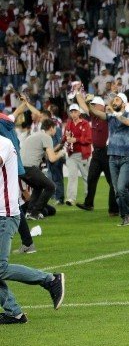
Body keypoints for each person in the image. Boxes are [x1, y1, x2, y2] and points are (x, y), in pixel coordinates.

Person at [0, 133, 66, 324]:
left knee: (0, 268)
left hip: (5, 215)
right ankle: (14, 312)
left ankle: (50, 280)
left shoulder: (3, 142)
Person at [82, 92, 129, 226]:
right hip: (112, 157)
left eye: (117, 100)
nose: (114, 102)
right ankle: (125, 215)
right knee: (117, 190)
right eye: (114, 100)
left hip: (126, 157)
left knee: (121, 187)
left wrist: (113, 111)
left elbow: (127, 122)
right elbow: (96, 113)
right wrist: (89, 103)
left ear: (123, 103)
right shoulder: (110, 117)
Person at [75, 96, 118, 215]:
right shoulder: (94, 116)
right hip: (97, 153)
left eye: (94, 105)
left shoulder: (107, 117)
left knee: (112, 182)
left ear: (101, 106)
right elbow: (83, 105)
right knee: (91, 178)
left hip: (107, 152)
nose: (92, 106)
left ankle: (114, 209)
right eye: (92, 105)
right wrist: (78, 93)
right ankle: (89, 204)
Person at [20, 119, 66, 219]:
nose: (56, 131)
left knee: (38, 187)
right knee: (51, 187)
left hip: (20, 168)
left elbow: (47, 154)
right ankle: (35, 212)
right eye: (55, 128)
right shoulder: (47, 137)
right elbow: (52, 158)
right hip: (30, 167)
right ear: (51, 128)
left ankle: (29, 211)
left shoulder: (35, 135)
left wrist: (58, 148)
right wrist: (61, 153)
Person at [62, 104, 91, 206]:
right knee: (72, 176)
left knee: (86, 177)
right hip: (71, 154)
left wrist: (76, 140)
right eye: (72, 112)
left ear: (79, 112)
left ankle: (88, 199)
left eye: (75, 112)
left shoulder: (85, 124)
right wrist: (66, 139)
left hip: (83, 154)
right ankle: (70, 198)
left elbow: (89, 139)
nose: (73, 114)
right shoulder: (69, 124)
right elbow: (64, 138)